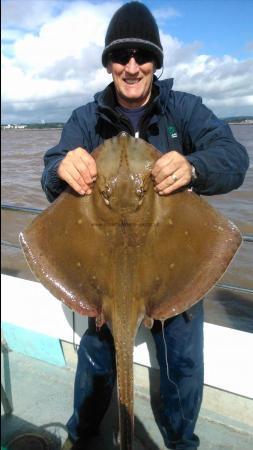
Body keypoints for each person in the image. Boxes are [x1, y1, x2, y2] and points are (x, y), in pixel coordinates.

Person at [41, 2, 249, 449]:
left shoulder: (185, 110)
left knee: (184, 364)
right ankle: (82, 436)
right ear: (108, 63)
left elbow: (234, 160)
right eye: (121, 56)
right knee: (96, 360)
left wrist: (194, 168)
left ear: (156, 61)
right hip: (101, 273)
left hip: (173, 264)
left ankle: (180, 442)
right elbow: (50, 171)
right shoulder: (85, 119)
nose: (132, 66)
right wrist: (60, 168)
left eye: (143, 55)